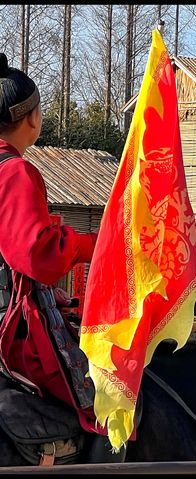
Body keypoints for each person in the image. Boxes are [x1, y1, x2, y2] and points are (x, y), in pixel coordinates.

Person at [0, 53, 123, 463]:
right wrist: (98, 243)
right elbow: (40, 254)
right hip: (11, 330)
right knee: (105, 395)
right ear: (31, 119)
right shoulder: (14, 172)